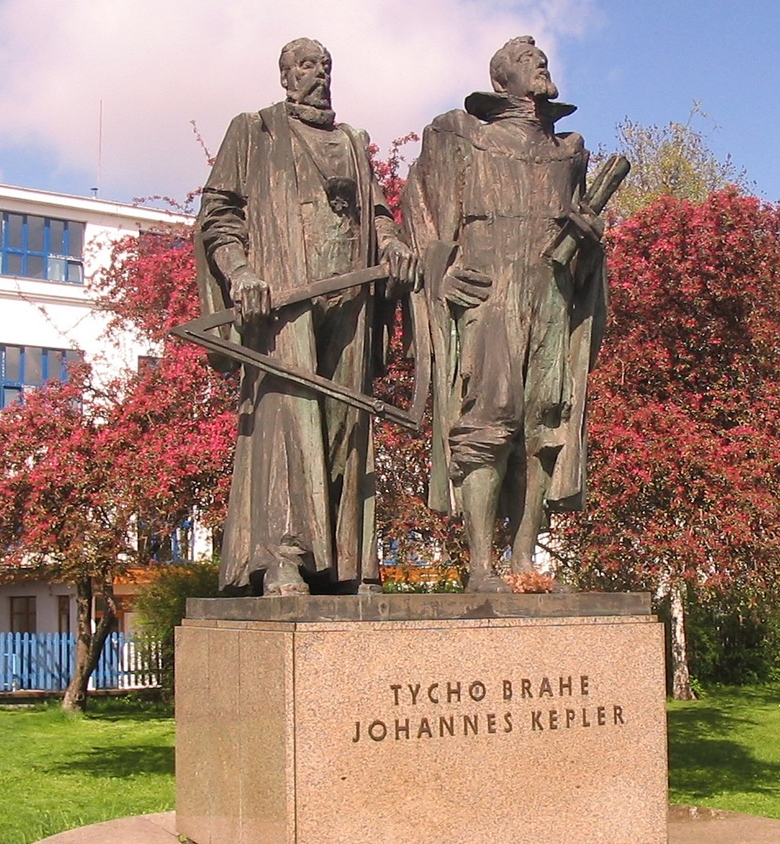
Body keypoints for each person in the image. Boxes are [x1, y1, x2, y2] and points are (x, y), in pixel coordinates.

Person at [197, 37, 417, 596]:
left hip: (352, 294)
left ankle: (350, 563)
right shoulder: (255, 130)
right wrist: (240, 274)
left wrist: (390, 245)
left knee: (349, 422)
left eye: (324, 65)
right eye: (304, 66)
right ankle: (283, 558)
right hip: (284, 299)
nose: (316, 74)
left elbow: (379, 213)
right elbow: (220, 215)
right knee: (287, 421)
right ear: (284, 76)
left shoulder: (351, 140)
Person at [403, 36, 607, 592]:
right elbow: (419, 209)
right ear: (500, 81)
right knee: (487, 421)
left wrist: (590, 244)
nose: (539, 64)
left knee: (547, 421)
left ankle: (524, 561)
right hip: (489, 293)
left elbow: (585, 246)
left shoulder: (571, 152)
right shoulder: (459, 137)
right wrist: (438, 270)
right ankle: (479, 566)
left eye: (541, 58)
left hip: (551, 295)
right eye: (524, 60)